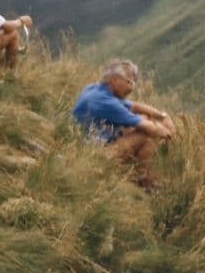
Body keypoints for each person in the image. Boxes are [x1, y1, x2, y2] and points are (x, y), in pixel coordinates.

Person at [72, 59, 176, 187]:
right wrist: (169, 131)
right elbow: (150, 128)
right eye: (129, 82)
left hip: (83, 144)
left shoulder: (96, 89)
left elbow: (134, 106)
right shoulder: (105, 102)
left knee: (143, 117)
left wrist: (161, 116)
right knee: (146, 135)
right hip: (94, 156)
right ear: (115, 79)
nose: (131, 88)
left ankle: (139, 175)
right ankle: (141, 180)